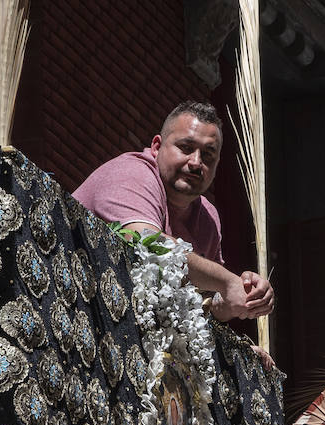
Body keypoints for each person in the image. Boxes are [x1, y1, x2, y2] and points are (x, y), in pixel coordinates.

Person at [73, 101, 274, 323]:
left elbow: (205, 304)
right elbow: (147, 244)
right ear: (157, 147)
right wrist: (226, 281)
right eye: (186, 148)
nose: (196, 162)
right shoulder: (130, 173)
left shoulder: (208, 218)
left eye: (208, 155)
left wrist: (245, 296)